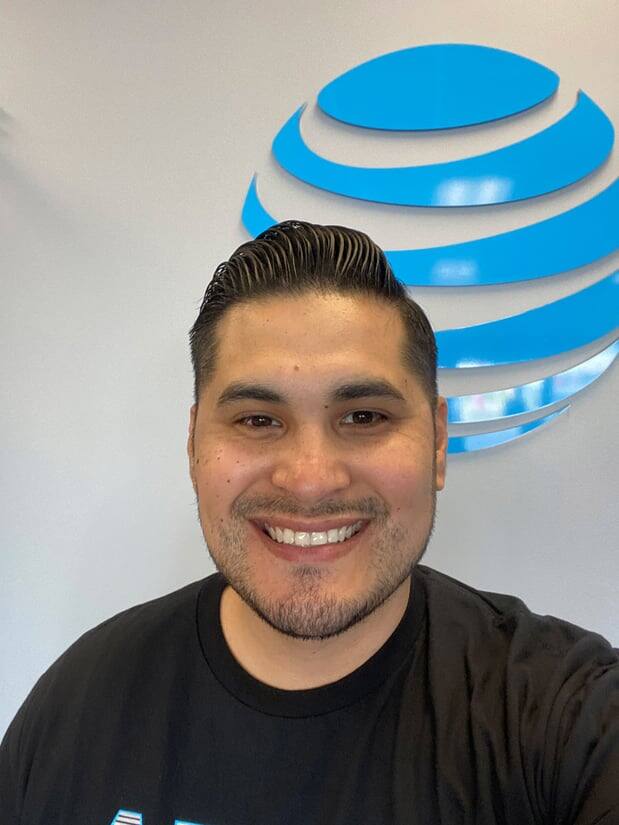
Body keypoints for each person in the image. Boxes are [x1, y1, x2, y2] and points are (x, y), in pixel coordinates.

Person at [1, 221, 617, 825]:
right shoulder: (80, 704)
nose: (311, 480)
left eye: (364, 417)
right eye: (257, 421)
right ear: (193, 446)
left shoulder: (565, 718)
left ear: (436, 444)